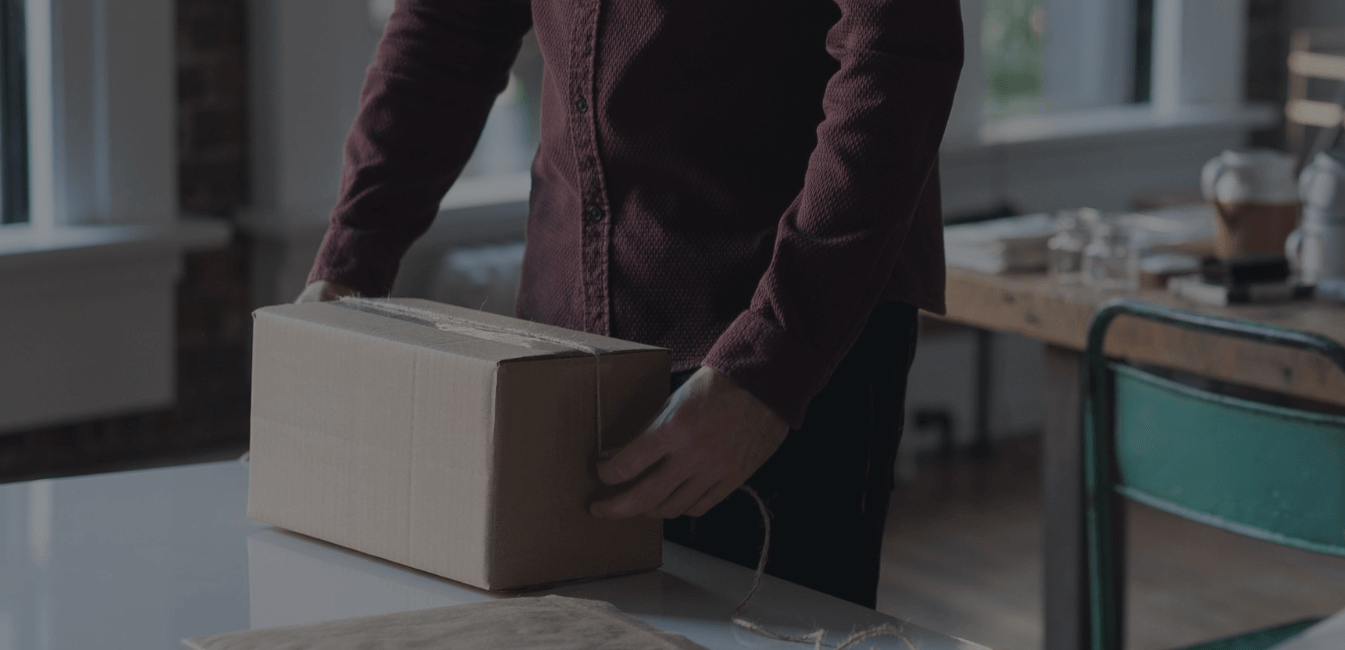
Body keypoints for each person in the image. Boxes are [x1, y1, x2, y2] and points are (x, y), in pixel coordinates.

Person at [294, 0, 962, 608]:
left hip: (782, 339)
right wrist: (348, 263)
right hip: (565, 341)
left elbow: (896, 56)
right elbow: (451, 24)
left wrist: (773, 361)